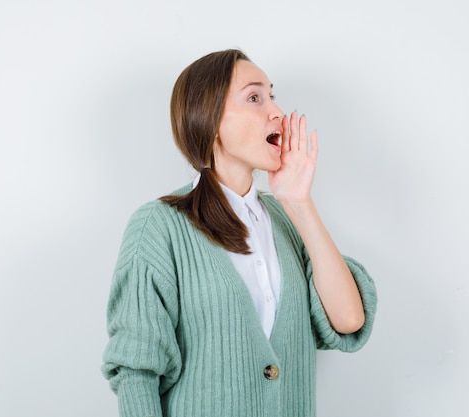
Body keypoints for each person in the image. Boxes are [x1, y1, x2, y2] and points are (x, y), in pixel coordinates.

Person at [101, 49, 377, 417]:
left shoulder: (285, 218)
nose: (277, 112)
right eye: (254, 98)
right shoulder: (158, 226)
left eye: (272, 96)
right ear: (210, 120)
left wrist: (299, 203)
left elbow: (348, 320)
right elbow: (136, 371)